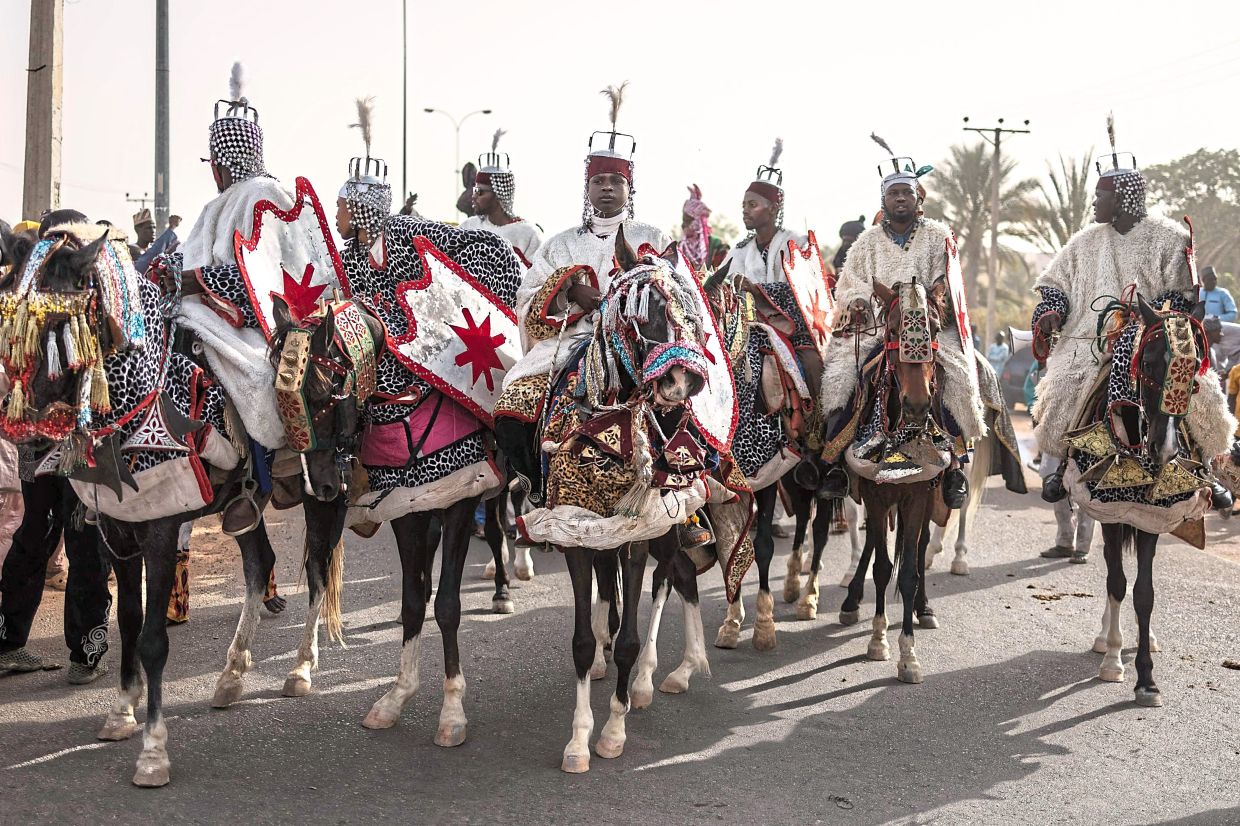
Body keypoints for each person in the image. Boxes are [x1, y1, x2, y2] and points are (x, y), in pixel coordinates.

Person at [1033, 128, 1236, 508]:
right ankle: (1060, 464)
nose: (1095, 203)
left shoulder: (1170, 237)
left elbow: (1185, 294)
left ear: (1122, 200)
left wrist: (1152, 317)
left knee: (1202, 386)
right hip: (1090, 339)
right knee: (1061, 384)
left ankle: (1208, 467)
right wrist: (1051, 310)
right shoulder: (1085, 241)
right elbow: (1054, 283)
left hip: (1158, 332)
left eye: (1100, 196)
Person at [494, 82, 670, 505]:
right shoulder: (560, 244)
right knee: (511, 406)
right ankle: (536, 487)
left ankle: (685, 503)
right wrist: (570, 290)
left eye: (615, 181)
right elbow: (528, 297)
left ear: (629, 188)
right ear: (587, 188)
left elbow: (673, 294)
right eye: (599, 181)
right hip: (571, 343)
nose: (606, 188)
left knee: (682, 408)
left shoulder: (653, 236)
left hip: (642, 346)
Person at [818, 154, 985, 507]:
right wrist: (861, 300)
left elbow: (948, 279)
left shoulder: (939, 236)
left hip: (931, 326)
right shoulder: (866, 242)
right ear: (884, 200)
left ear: (918, 199)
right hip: (880, 327)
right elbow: (848, 285)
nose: (900, 199)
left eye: (906, 193)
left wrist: (932, 296)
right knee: (839, 375)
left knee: (960, 376)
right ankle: (833, 462)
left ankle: (955, 462)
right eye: (893, 194)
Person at [0, 210, 114, 684]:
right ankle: (82, 653)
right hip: (74, 436)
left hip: (51, 436)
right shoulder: (95, 285)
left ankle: (12, 642)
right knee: (77, 533)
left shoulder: (25, 288)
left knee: (43, 532)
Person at [460, 130, 543, 266]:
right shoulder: (469, 226)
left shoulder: (528, 233)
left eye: (480, 192)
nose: (473, 197)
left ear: (499, 195)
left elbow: (536, 278)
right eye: (474, 190)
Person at [680, 184, 729, 273]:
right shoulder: (679, 247)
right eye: (683, 220)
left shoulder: (718, 247)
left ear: (700, 222)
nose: (684, 225)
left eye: (688, 220)